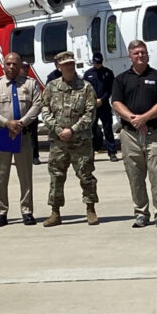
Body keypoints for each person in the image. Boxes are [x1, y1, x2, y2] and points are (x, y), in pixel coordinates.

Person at [111, 40, 157, 229]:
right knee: (135, 175)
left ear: (148, 55)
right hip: (129, 135)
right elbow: (116, 103)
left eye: (143, 52)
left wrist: (144, 118)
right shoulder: (121, 79)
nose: (140, 56)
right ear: (130, 56)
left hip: (154, 133)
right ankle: (141, 213)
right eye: (136, 53)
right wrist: (133, 120)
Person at [0, 52, 43, 227]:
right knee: (1, 176)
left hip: (23, 135)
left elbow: (37, 105)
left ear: (20, 66)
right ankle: (1, 212)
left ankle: (27, 211)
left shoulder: (30, 84)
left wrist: (21, 123)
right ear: (3, 65)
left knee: (25, 175)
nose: (11, 67)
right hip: (3, 135)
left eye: (15, 64)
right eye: (8, 64)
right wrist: (6, 123)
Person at [42, 51, 99, 227]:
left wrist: (72, 130)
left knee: (86, 175)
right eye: (65, 64)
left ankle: (90, 209)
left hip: (80, 141)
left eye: (71, 63)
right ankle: (55, 212)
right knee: (56, 177)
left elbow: (90, 113)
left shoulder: (86, 87)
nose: (69, 67)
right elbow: (45, 110)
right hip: (58, 142)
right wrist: (59, 130)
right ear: (58, 67)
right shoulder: (51, 87)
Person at [84, 52, 118, 162]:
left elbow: (110, 89)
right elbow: (85, 90)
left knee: (108, 129)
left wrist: (102, 100)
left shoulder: (108, 73)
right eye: (95, 63)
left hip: (104, 106)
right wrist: (93, 101)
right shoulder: (88, 74)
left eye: (99, 63)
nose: (97, 65)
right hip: (92, 106)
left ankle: (112, 152)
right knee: (92, 130)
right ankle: (91, 152)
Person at [21, 62, 44, 163]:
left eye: (27, 67)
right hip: (19, 115)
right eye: (23, 67)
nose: (25, 69)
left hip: (31, 115)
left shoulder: (32, 82)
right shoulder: (15, 82)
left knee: (33, 137)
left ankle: (35, 156)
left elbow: (38, 100)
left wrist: (32, 113)